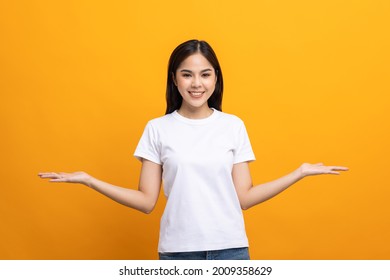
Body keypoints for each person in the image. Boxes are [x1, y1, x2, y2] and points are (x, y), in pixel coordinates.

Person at [38, 39, 348, 260]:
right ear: (174, 79)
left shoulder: (233, 126)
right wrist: (89, 180)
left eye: (205, 74)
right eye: (187, 74)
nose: (196, 83)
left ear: (216, 78)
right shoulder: (157, 129)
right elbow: (146, 201)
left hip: (231, 252)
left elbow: (245, 197)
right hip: (177, 253)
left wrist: (299, 172)